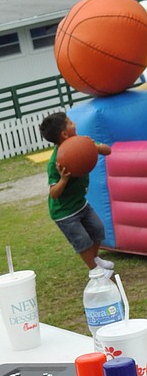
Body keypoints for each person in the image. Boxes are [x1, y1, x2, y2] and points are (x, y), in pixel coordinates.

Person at [39, 111, 113, 274]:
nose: (75, 124)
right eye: (70, 122)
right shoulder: (56, 162)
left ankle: (95, 259)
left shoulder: (82, 143)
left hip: (80, 203)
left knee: (98, 230)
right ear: (64, 134)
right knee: (82, 241)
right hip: (64, 212)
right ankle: (94, 271)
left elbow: (108, 151)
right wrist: (64, 179)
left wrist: (95, 147)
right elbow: (54, 194)